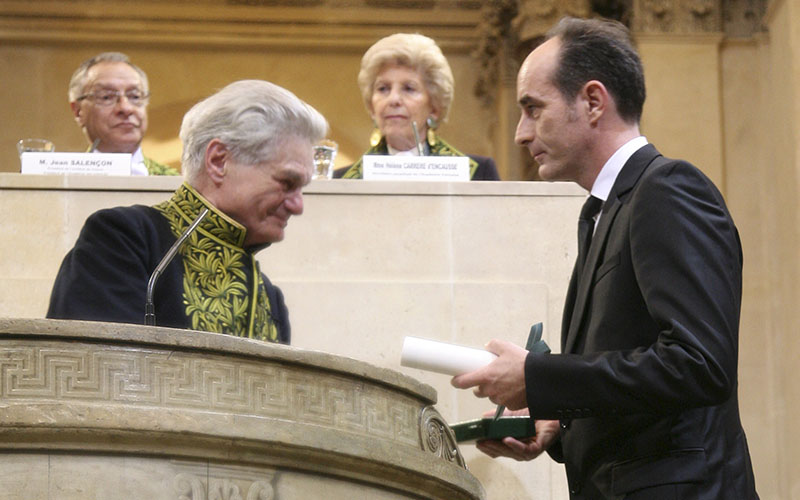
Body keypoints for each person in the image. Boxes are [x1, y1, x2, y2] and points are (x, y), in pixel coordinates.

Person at [451, 17, 758, 499]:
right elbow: (638, 383)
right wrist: (557, 423)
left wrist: (537, 377)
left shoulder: (668, 189)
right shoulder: (601, 210)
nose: (519, 134)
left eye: (533, 109)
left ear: (593, 102)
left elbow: (699, 364)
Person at [48, 80, 328, 344]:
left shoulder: (269, 297)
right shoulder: (123, 238)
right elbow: (101, 374)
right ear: (219, 160)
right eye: (287, 183)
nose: (297, 205)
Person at [334, 33, 500, 180]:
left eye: (409, 88)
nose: (394, 99)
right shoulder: (341, 181)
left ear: (434, 107)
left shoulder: (478, 175)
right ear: (371, 107)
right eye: (383, 88)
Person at [68, 51, 179, 176]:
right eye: (106, 97)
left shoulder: (177, 185)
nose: (126, 108)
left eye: (135, 96)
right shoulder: (62, 179)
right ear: (78, 111)